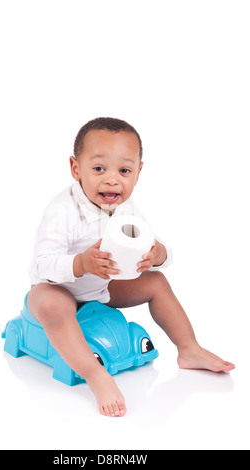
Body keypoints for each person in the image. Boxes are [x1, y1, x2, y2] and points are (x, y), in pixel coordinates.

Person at [27, 117, 235, 418]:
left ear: (138, 173)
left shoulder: (127, 208)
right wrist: (81, 262)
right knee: (51, 304)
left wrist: (158, 253)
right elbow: (41, 263)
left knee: (157, 281)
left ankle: (189, 348)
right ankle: (95, 375)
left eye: (124, 170)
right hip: (57, 288)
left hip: (101, 288)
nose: (112, 180)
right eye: (99, 169)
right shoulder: (61, 211)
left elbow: (151, 243)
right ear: (76, 169)